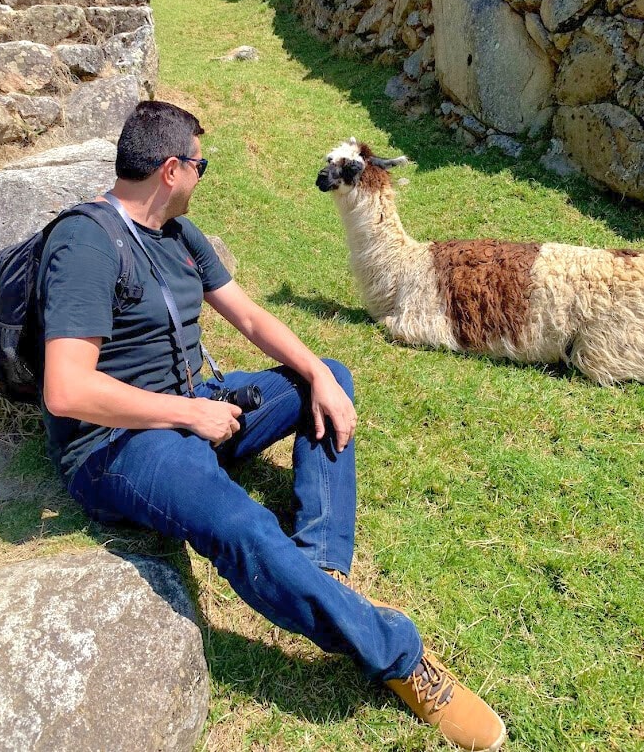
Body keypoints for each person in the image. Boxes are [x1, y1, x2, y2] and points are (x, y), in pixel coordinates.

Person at [38, 101, 506, 752]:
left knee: (330, 377)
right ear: (171, 169)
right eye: (202, 164)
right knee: (241, 526)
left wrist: (314, 371)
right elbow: (67, 389)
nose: (205, 174)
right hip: (117, 442)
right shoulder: (85, 242)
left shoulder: (177, 233)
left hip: (190, 404)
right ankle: (399, 657)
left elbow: (251, 320)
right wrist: (189, 412)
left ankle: (318, 565)